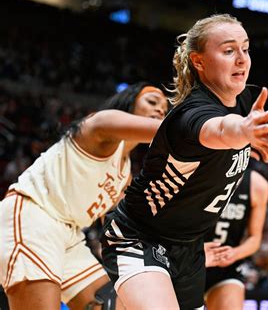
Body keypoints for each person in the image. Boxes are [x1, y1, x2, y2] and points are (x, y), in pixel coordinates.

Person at [100, 13, 268, 310]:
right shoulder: (190, 114)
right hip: (139, 236)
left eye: (245, 49)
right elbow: (220, 130)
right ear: (198, 61)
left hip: (189, 250)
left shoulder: (249, 100)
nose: (241, 59)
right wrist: (244, 131)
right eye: (228, 50)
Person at [0, 82, 168, 310]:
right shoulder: (101, 122)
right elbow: (175, 132)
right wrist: (211, 129)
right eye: (152, 102)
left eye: (165, 109)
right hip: (33, 216)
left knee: (113, 304)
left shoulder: (125, 171)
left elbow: (121, 229)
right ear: (127, 103)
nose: (161, 110)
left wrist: (176, 248)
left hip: (70, 236)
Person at [203, 169, 268, 310]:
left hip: (225, 266)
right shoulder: (199, 171)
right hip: (188, 260)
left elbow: (255, 238)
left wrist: (235, 253)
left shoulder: (257, 185)